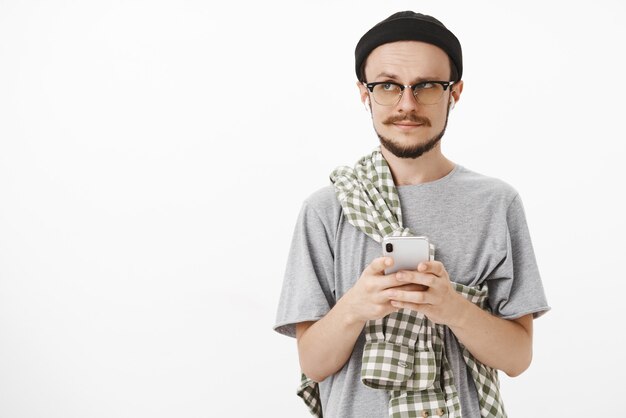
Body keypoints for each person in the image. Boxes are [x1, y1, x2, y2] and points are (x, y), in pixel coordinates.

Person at [274, 11, 549, 418]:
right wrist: (358, 305)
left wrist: (452, 307)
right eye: (388, 85)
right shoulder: (327, 208)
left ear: (454, 92)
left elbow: (517, 357)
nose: (407, 104)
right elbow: (312, 364)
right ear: (364, 93)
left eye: (426, 87)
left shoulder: (496, 203)